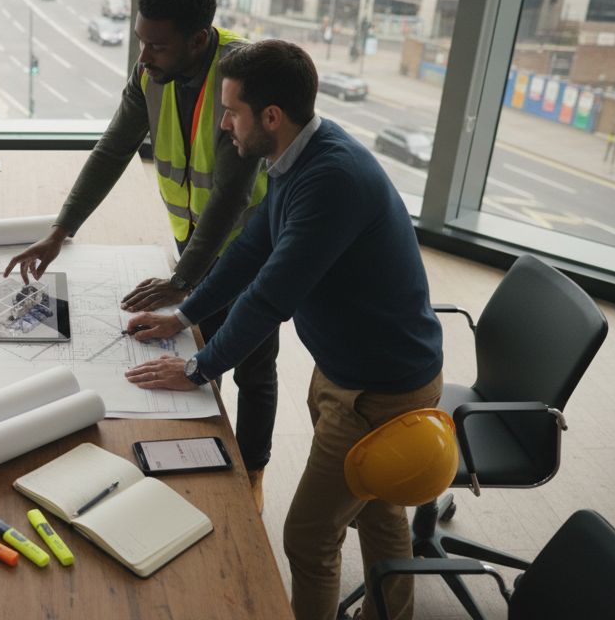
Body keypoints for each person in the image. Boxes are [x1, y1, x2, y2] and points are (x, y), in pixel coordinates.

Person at [123, 40, 444, 620]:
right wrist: (185, 315)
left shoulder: (331, 181)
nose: (224, 125)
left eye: (231, 112)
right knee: (377, 509)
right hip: (347, 370)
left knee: (307, 537)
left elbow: (270, 294)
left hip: (379, 391)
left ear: (270, 117)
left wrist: (199, 366)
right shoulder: (297, 156)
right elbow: (249, 251)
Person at [2, 0, 279, 510]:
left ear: (198, 40)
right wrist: (61, 232)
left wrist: (182, 280)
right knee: (202, 346)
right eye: (141, 40)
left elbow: (229, 196)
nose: (145, 55)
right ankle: (210, 454)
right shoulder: (150, 72)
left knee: (253, 363)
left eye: (157, 44)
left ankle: (255, 471)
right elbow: (112, 150)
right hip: (194, 240)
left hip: (253, 246)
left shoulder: (239, 78)